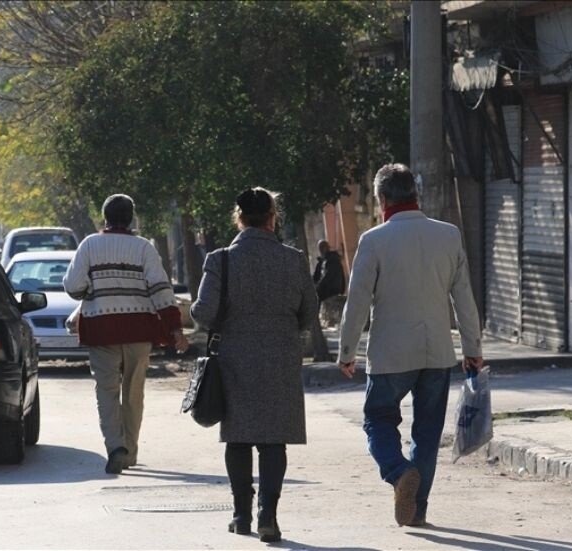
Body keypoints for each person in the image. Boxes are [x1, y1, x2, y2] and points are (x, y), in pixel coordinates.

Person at [338, 163, 483, 527]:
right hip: (437, 353)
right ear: (415, 195)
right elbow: (463, 296)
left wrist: (347, 351)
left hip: (390, 355)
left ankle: (398, 471)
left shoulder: (373, 241)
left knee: (378, 419)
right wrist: (473, 347)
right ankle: (417, 509)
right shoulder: (448, 235)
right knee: (428, 434)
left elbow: (356, 301)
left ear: (382, 198)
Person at [190, 187, 318, 543]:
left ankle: (241, 514)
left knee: (239, 437)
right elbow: (309, 310)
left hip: (235, 357)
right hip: (280, 357)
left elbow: (203, 313)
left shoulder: (220, 260)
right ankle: (269, 515)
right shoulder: (293, 260)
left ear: (239, 218)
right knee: (274, 440)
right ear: (272, 218)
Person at [63, 194, 188, 475]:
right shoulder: (143, 248)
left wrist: (89, 288)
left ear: (104, 218)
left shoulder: (90, 245)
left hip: (101, 329)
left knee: (106, 392)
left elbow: (73, 286)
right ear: (131, 218)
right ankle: (130, 451)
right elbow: (161, 289)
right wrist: (175, 329)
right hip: (138, 330)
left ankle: (115, 447)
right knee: (133, 393)